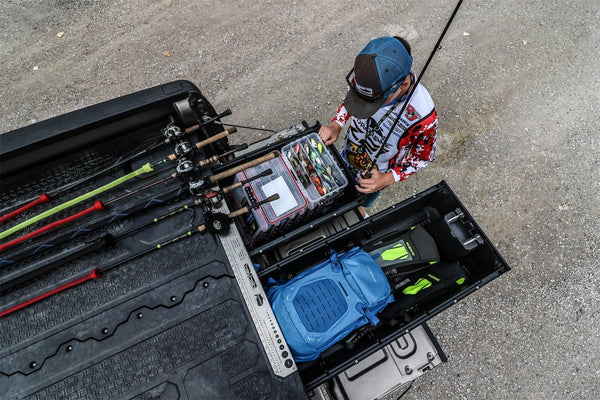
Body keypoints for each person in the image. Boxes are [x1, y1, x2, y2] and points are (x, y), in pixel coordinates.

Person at [318, 36, 438, 209]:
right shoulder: (366, 75)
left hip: (374, 176)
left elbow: (422, 157)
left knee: (357, 206)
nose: (366, 105)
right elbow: (350, 101)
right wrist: (336, 125)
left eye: (373, 101)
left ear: (403, 85)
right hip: (346, 154)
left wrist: (388, 178)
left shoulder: (424, 117)